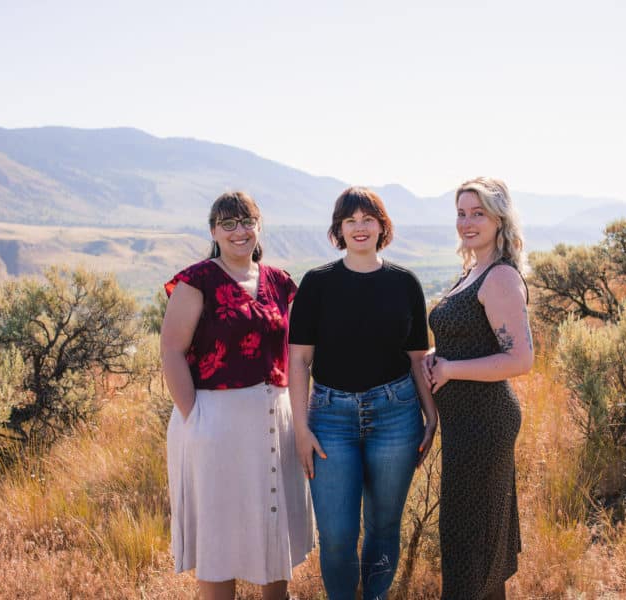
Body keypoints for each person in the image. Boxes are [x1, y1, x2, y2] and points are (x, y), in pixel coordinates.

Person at [161, 191, 314, 600]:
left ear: (258, 226)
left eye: (245, 221)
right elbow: (171, 350)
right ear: (213, 231)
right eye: (227, 224)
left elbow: (300, 355)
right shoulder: (196, 281)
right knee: (220, 537)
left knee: (272, 528)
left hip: (275, 419)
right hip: (214, 420)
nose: (238, 231)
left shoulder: (280, 282)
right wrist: (196, 417)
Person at [288, 186, 438, 600]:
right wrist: (300, 428)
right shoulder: (317, 284)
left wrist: (431, 415)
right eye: (350, 220)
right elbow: (298, 361)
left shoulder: (404, 283)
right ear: (338, 229)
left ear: (381, 227)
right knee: (336, 534)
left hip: (397, 416)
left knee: (384, 525)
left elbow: (416, 356)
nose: (359, 227)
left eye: (367, 219)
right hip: (330, 418)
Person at [423, 177, 533, 600]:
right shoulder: (473, 271)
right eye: (462, 213)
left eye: (478, 213)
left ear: (499, 219)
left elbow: (520, 359)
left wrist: (450, 368)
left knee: (473, 542)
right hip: (464, 423)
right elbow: (471, 337)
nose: (467, 222)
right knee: (470, 540)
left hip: (485, 422)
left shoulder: (501, 276)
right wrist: (438, 355)